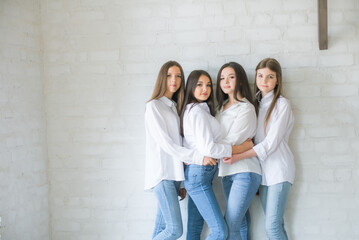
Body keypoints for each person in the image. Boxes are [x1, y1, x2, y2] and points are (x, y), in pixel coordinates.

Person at [223, 58, 295, 240]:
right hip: (263, 173)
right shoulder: (255, 104)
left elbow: (270, 144)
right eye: (260, 75)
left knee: (271, 227)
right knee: (276, 225)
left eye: (270, 76)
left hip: (279, 170)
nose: (264, 80)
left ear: (277, 80)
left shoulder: (282, 104)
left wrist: (238, 156)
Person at [179, 70, 253, 240]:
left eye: (208, 85)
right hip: (199, 177)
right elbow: (209, 149)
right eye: (199, 85)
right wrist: (240, 148)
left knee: (194, 229)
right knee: (220, 232)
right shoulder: (197, 112)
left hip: (199, 175)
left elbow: (191, 144)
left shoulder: (199, 110)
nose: (205, 89)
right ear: (191, 87)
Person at [145, 61, 214, 240]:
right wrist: (200, 157)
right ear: (162, 78)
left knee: (160, 229)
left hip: (174, 176)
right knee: (174, 230)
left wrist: (181, 183)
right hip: (162, 174)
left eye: (178, 76)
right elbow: (167, 144)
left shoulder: (175, 108)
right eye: (169, 75)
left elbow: (180, 143)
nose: (174, 80)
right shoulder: (154, 106)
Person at [216, 62, 262, 240]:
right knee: (240, 222)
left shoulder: (246, 108)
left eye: (231, 77)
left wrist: (214, 147)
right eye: (222, 78)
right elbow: (218, 142)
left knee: (231, 224)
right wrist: (243, 146)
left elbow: (228, 141)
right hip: (227, 172)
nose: (225, 81)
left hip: (246, 171)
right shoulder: (220, 109)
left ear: (240, 80)